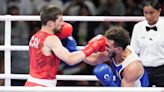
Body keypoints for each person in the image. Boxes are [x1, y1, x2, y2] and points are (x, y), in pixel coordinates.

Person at [24, 6, 106, 87]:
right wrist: (92, 47)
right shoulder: (52, 39)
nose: (62, 24)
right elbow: (71, 60)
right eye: (59, 21)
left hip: (31, 83)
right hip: (42, 86)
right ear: (50, 24)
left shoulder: (35, 36)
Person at [84, 26, 149, 87]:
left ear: (118, 49)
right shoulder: (114, 51)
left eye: (107, 46)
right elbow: (95, 59)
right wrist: (77, 51)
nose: (105, 48)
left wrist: (109, 83)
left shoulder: (132, 67)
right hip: (119, 85)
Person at [130, 0, 164, 87]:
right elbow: (133, 51)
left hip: (162, 68)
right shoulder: (138, 27)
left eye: (152, 12)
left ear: (159, 11)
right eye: (145, 13)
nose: (148, 16)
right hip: (143, 68)